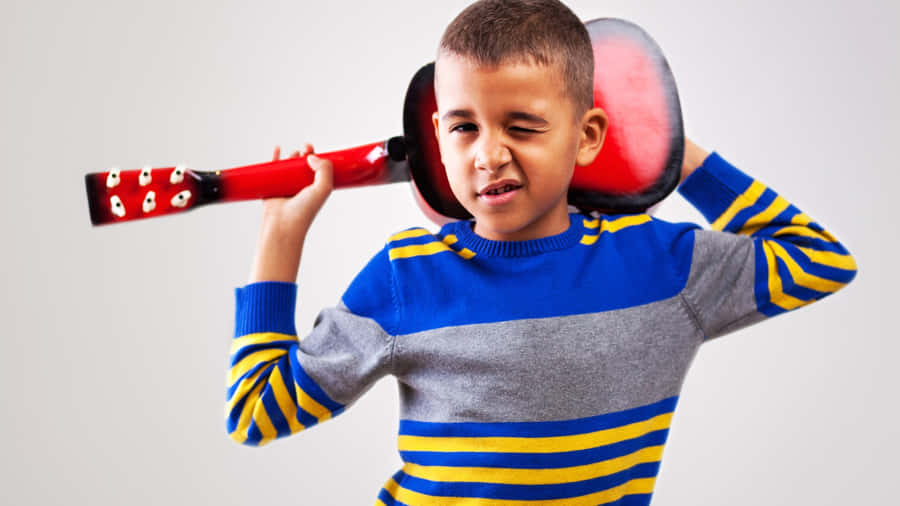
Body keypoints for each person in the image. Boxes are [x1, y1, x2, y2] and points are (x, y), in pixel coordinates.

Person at [224, 0, 857, 504]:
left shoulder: (663, 264)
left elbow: (821, 260)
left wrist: (671, 151)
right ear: (438, 136)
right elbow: (257, 413)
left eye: (522, 126)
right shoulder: (405, 277)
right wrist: (281, 237)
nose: (488, 155)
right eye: (463, 127)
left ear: (588, 135)